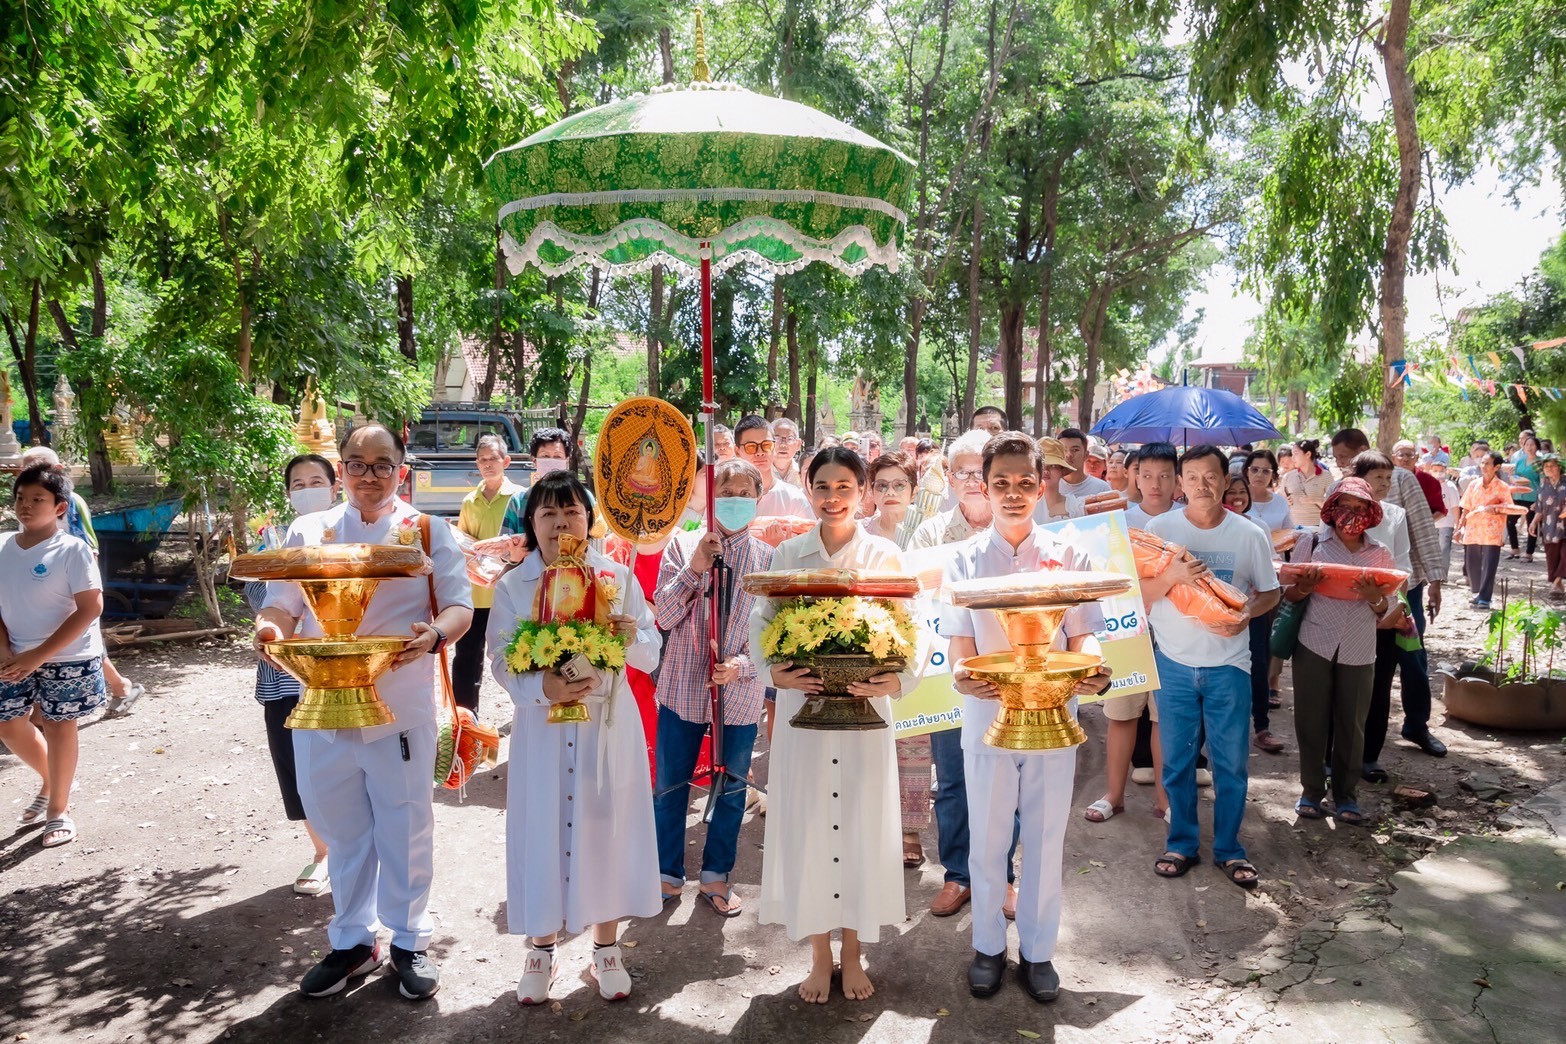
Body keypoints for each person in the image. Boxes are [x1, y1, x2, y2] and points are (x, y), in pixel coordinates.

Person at [256, 423, 473, 1001]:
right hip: (322, 705)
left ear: (401, 468)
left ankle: (407, 939)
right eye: (357, 463)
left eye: (381, 464)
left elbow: (458, 606)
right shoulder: (311, 530)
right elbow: (280, 602)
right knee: (340, 829)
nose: (369, 475)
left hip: (398, 706)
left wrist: (434, 635)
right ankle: (352, 939)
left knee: (404, 826)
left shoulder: (427, 531)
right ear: (343, 469)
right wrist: (269, 631)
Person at [945, 432, 1112, 1002]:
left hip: (1052, 721)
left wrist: (1094, 668)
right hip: (988, 720)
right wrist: (968, 676)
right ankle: (988, 947)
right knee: (988, 841)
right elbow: (960, 647)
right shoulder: (964, 558)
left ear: (1042, 485)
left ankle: (1039, 954)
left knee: (1044, 839)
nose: (1013, 494)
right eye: (1001, 484)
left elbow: (1085, 635)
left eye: (1024, 483)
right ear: (983, 488)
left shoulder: (1070, 556)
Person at [750, 447, 919, 1004]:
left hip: (867, 716)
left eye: (845, 486)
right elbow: (761, 623)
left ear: (864, 489)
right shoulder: (789, 554)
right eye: (822, 486)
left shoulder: (884, 555)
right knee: (810, 827)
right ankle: (820, 953)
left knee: (861, 825)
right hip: (805, 714)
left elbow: (914, 627)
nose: (833, 497)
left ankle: (854, 952)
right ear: (807, 487)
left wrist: (895, 681)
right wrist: (774, 669)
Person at [488, 470, 661, 1004]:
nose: (561, 523)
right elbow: (498, 659)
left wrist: (630, 635)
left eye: (572, 513)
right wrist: (541, 686)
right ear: (531, 523)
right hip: (542, 730)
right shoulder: (514, 585)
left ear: (590, 520)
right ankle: (541, 950)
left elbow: (651, 652)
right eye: (549, 514)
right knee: (543, 826)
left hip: (606, 726)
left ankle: (605, 949)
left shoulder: (617, 577)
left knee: (604, 825)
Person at [1142, 446, 1280, 890]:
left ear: (1225, 481)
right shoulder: (1159, 530)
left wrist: (1245, 614)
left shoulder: (1249, 534)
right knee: (1178, 764)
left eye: (1211, 476)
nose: (1202, 485)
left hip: (1230, 667)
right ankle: (1181, 842)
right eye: (1193, 476)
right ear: (1180, 483)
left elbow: (1271, 592)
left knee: (1230, 764)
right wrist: (1174, 578)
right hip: (1174, 663)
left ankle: (1229, 849)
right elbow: (1139, 593)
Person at [652, 459, 773, 916]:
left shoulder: (767, 559)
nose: (736, 500)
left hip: (738, 694)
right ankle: (666, 873)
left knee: (731, 786)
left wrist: (740, 666)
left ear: (758, 500)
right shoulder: (682, 546)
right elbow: (662, 616)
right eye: (727, 491)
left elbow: (773, 637)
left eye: (745, 492)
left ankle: (716, 876)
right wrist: (697, 567)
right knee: (670, 784)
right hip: (683, 686)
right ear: (709, 494)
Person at [911, 430, 1020, 918]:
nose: (974, 481)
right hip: (945, 679)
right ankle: (959, 875)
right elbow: (911, 591)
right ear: (949, 479)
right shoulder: (930, 534)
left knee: (1008, 781)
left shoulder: (1015, 529)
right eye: (963, 472)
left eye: (983, 472)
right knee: (951, 782)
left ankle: (1005, 877)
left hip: (1010, 677)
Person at [0, 464, 107, 850]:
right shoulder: (2, 546)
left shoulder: (72, 549)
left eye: (37, 500)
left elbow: (90, 609)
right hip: (12, 654)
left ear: (60, 507)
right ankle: (52, 778)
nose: (25, 506)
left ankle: (58, 810)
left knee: (61, 727)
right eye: (20, 498)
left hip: (69, 655)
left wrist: (38, 655)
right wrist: (7, 650)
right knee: (9, 725)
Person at [245, 453, 337, 895]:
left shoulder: (357, 540)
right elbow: (267, 605)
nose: (308, 490)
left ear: (335, 487)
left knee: (343, 768)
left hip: (336, 678)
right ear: (288, 495)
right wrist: (269, 627)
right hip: (282, 677)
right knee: (295, 770)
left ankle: (354, 852)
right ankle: (322, 853)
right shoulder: (270, 545)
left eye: (316, 481)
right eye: (297, 484)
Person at [1284, 479, 1395, 826]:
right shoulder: (1311, 542)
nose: (1353, 515)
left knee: (1353, 724)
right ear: (1332, 509)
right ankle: (1311, 791)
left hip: (1360, 648)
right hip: (1314, 642)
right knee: (1311, 721)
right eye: (1345, 506)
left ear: (1371, 513)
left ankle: (1347, 795)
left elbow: (1388, 609)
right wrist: (1303, 586)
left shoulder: (1380, 554)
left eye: (1361, 508)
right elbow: (1289, 593)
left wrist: (1374, 597)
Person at [1331, 429, 1447, 756]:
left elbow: (1423, 530)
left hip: (1403, 589)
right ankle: (1353, 746)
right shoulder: (1341, 490)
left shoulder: (1402, 482)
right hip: (1355, 595)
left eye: (1344, 458)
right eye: (1338, 459)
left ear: (1362, 453)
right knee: (1365, 668)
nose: (1340, 464)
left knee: (1411, 657)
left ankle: (1417, 725)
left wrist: (1435, 581)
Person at [18, 446, 145, 717]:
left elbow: (88, 546)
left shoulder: (71, 502)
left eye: (40, 467)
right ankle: (120, 686)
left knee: (78, 641)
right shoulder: (25, 502)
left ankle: (116, 688)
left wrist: (84, 589)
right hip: (37, 589)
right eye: (27, 469)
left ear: (58, 470)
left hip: (70, 589)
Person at [859, 452, 928, 864]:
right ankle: (871, 828)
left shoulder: (930, 532)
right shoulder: (859, 533)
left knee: (915, 745)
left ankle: (910, 834)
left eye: (899, 484)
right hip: (867, 646)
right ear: (869, 491)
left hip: (916, 648)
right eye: (881, 485)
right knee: (871, 741)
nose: (890, 492)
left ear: (913, 490)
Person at [1351, 451, 1420, 782]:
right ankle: (1333, 756)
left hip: (1385, 610)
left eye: (1388, 478)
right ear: (1358, 478)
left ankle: (1369, 757)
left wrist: (1396, 605)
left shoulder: (1395, 514)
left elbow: (1403, 564)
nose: (1384, 484)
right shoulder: (1340, 510)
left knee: (1379, 686)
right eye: (1377, 477)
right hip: (1346, 610)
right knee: (1344, 686)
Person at [454, 434, 522, 712]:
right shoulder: (470, 501)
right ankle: (466, 721)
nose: (487, 465)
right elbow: (464, 543)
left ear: (505, 461)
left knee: (518, 657)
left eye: (493, 459)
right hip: (477, 595)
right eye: (482, 460)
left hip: (510, 593)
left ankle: (524, 713)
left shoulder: (519, 497)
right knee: (467, 660)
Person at [1455, 451, 1513, 609]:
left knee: (1489, 563)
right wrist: (1460, 527)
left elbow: (1509, 507)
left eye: (1487, 463)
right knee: (1472, 561)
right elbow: (1466, 507)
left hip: (1492, 530)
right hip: (1473, 528)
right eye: (1482, 463)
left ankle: (1485, 598)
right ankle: (1477, 592)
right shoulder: (1474, 484)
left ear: (1497, 467)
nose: (1483, 466)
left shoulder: (1502, 487)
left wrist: (1495, 508)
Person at [734, 415, 814, 519]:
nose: (760, 453)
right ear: (737, 451)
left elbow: (811, 533)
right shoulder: (725, 499)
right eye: (751, 447)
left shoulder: (794, 498)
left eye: (766, 445)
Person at [1530, 454, 1566, 600]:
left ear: (1559, 467)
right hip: (1549, 527)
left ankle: (1556, 582)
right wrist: (1533, 523)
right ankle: (1558, 585)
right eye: (1546, 466)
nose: (1549, 468)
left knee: (1565, 555)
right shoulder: (1543, 485)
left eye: (1552, 465)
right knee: (1552, 558)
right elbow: (1540, 508)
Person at [1122, 442, 1178, 531]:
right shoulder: (1123, 523)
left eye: (1164, 476)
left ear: (1176, 480)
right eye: (1147, 476)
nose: (1155, 485)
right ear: (1138, 480)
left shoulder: (1191, 518)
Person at [1507, 434, 1542, 562]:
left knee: (1531, 524)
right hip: (1518, 495)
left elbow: (1542, 482)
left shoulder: (1540, 462)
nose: (1529, 447)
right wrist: (1511, 476)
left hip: (1533, 496)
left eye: (1532, 444)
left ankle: (1529, 553)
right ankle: (1514, 549)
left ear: (1537, 446)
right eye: (1527, 445)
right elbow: (1514, 477)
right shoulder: (1520, 461)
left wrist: (1539, 499)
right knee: (1510, 521)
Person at [1033, 437, 1085, 523]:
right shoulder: (1024, 505)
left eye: (1053, 466)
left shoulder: (1075, 506)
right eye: (1042, 466)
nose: (1046, 471)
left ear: (1062, 471)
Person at [1282, 439, 1332, 527]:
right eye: (1292, 454)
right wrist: (1285, 502)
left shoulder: (1326, 476)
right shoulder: (1288, 477)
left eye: (1296, 454)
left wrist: (1315, 500)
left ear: (1308, 454)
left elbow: (1333, 506)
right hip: (1294, 529)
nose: (1292, 458)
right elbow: (1280, 502)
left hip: (1318, 528)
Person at [1244, 450, 1294, 533]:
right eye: (1255, 469)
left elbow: (1288, 532)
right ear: (1247, 471)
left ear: (1273, 474)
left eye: (1266, 471)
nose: (1259, 475)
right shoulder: (1238, 500)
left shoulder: (1280, 502)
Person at [1055, 428, 1111, 498]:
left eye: (1075, 450)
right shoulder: (1050, 486)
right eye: (1064, 450)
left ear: (1086, 455)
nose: (1068, 455)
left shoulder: (1102, 488)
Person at [1428, 458, 1460, 576]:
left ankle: (1442, 575)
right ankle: (1431, 575)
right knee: (1431, 550)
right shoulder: (1428, 485)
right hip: (1431, 523)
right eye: (1435, 470)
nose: (1438, 473)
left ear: (1446, 471)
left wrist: (1457, 524)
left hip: (1446, 523)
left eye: (1441, 470)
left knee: (1444, 549)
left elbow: (1455, 506)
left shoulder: (1450, 486)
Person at [773, 418, 804, 487]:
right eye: (777, 439)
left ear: (798, 444)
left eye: (789, 439)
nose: (783, 444)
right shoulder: (759, 473)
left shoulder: (804, 474)